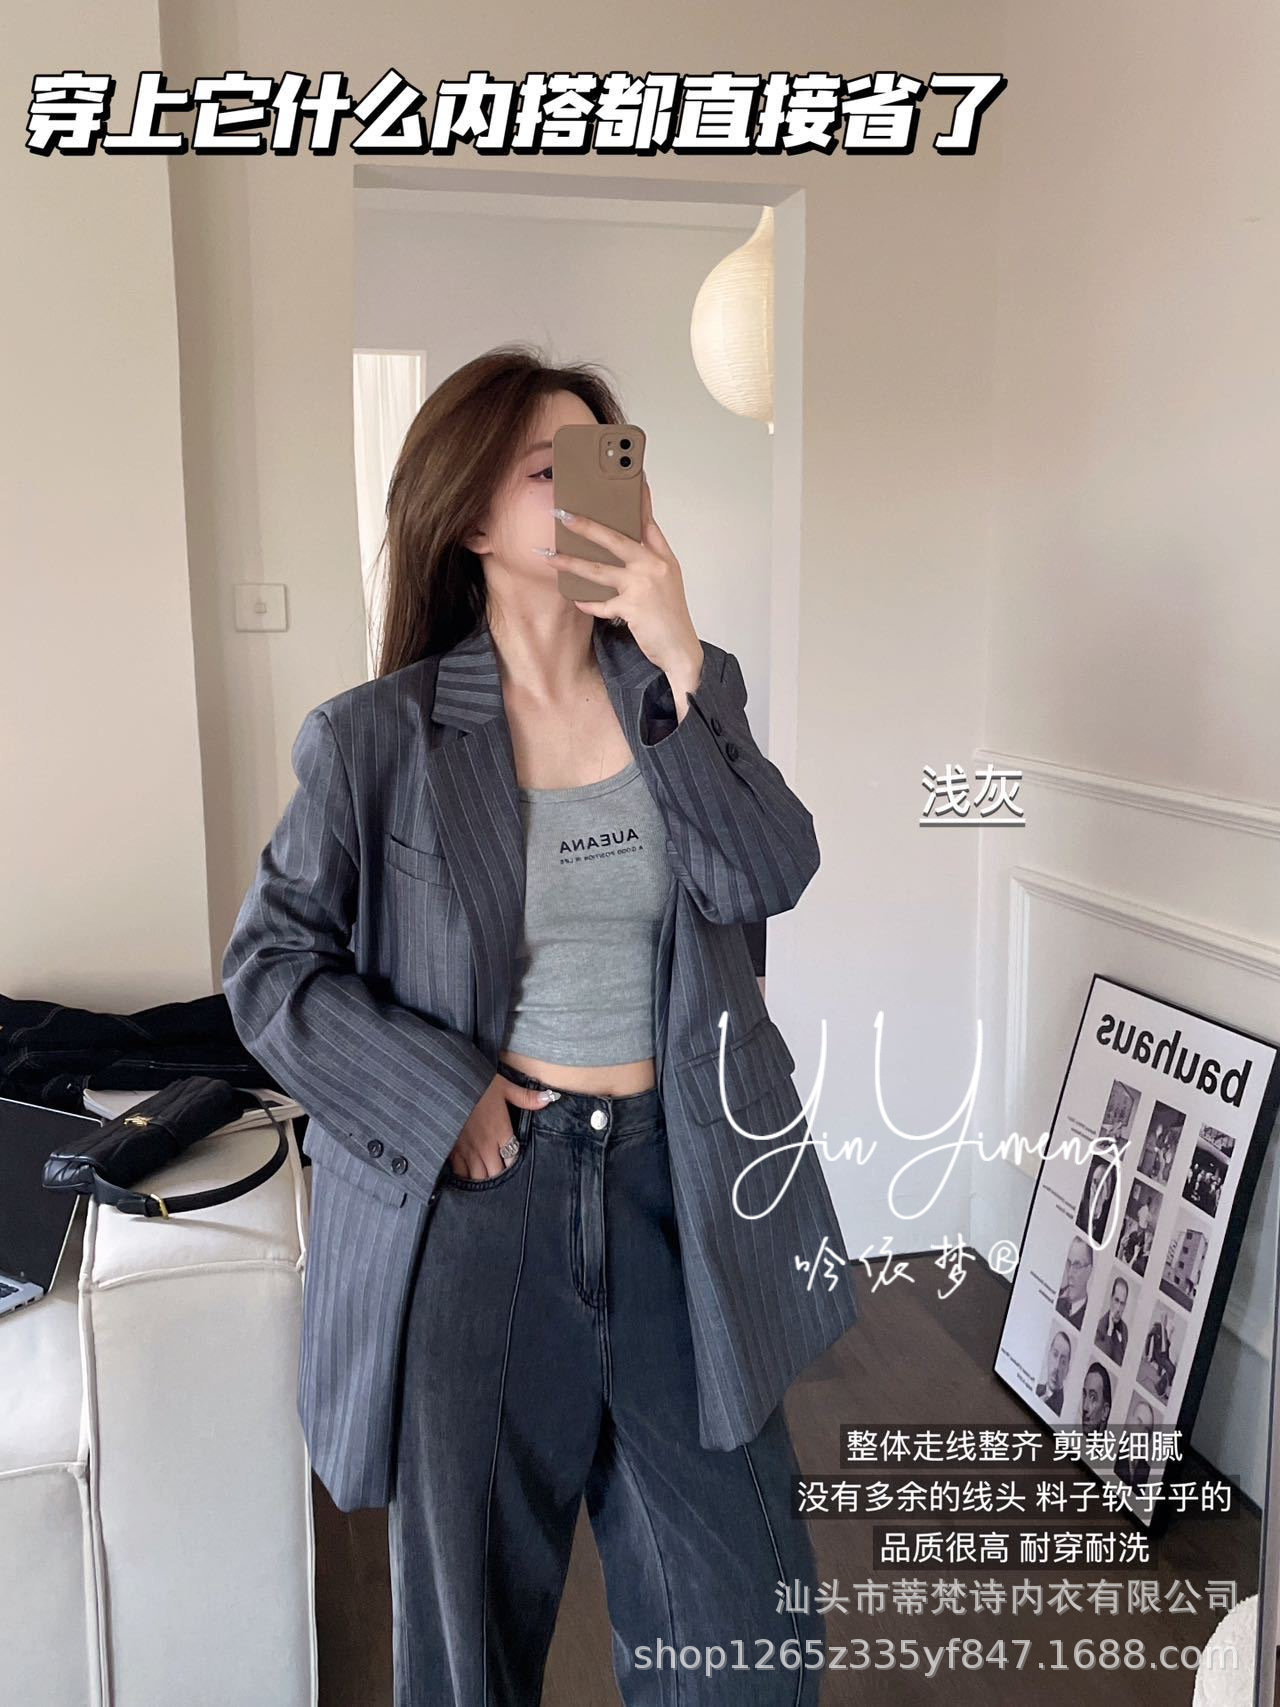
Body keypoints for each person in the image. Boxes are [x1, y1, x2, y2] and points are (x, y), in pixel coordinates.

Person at [221, 347, 857, 1705]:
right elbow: (268, 968)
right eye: (541, 470)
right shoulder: (377, 737)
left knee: (748, 1640)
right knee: (468, 1648)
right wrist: (438, 1093)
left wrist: (682, 660)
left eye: (599, 462)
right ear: (467, 518)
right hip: (482, 1212)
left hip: (679, 1189)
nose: (581, 492)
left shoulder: (681, 688)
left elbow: (769, 874)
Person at [1094, 1275, 1129, 1364]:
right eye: (1116, 1300)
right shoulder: (1100, 1327)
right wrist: (1109, 1331)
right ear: (1111, 1299)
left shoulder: (1124, 1328)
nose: (1118, 1309)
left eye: (1122, 1303)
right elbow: (1100, 1358)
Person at [1036, 1331, 1071, 1415]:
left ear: (1067, 1370)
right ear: (1048, 1355)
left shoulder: (1061, 1409)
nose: (1057, 1366)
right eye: (1055, 1355)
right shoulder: (1037, 1388)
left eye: (1063, 1362)